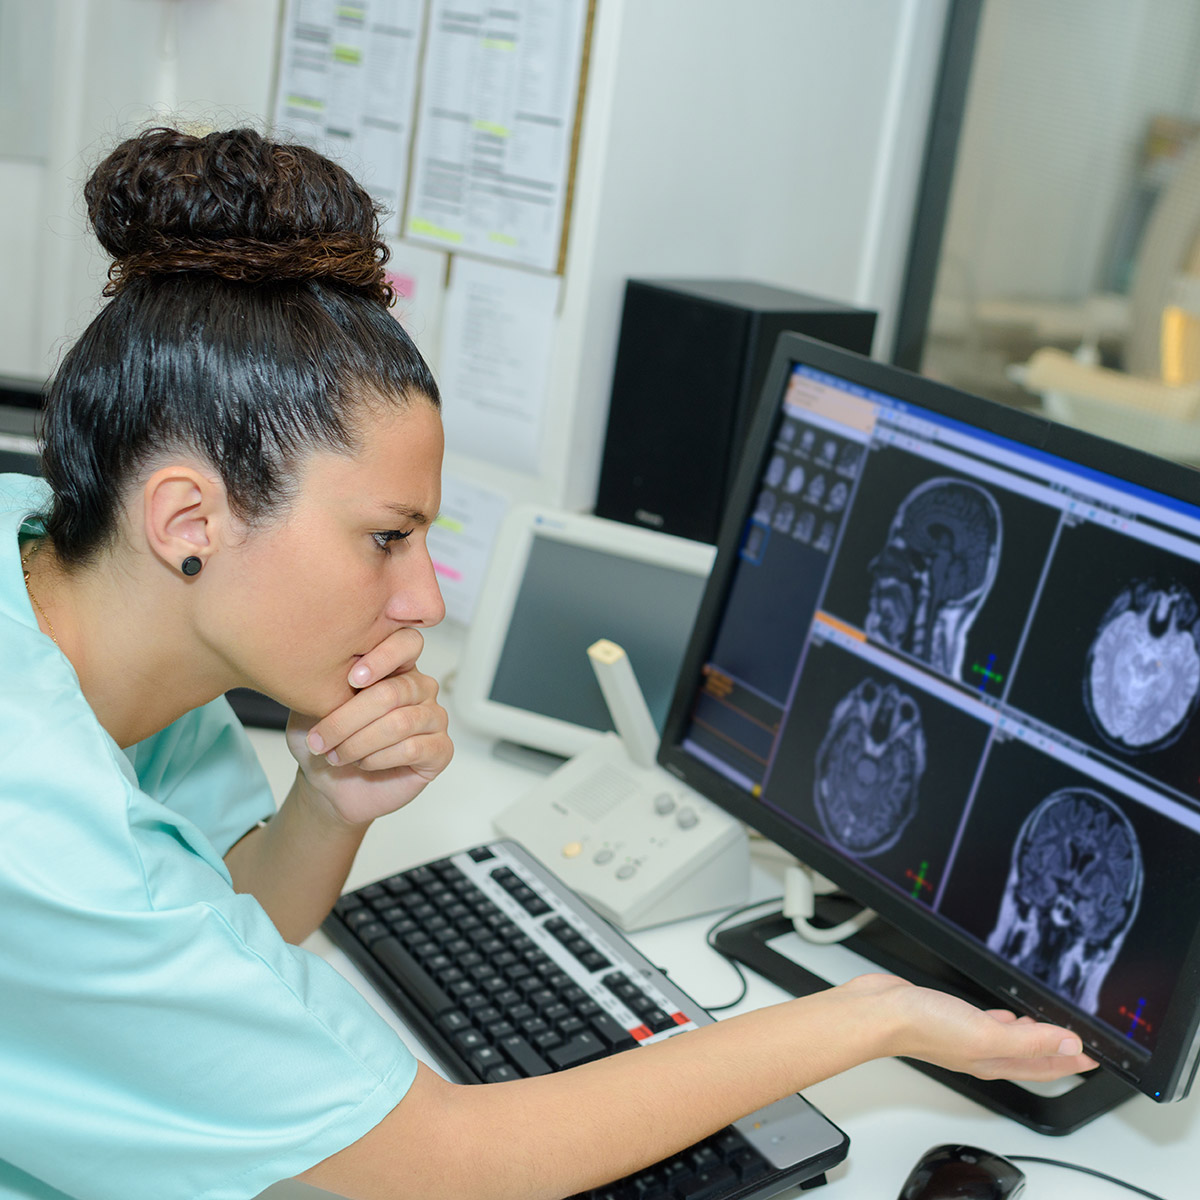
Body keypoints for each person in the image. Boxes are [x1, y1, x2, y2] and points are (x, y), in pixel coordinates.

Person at [0, 126, 1095, 1200]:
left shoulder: (63, 577)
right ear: (188, 519)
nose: (426, 598)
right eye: (388, 535)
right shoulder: (39, 821)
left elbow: (206, 933)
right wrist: (873, 1016)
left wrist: (328, 808)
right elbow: (452, 1164)